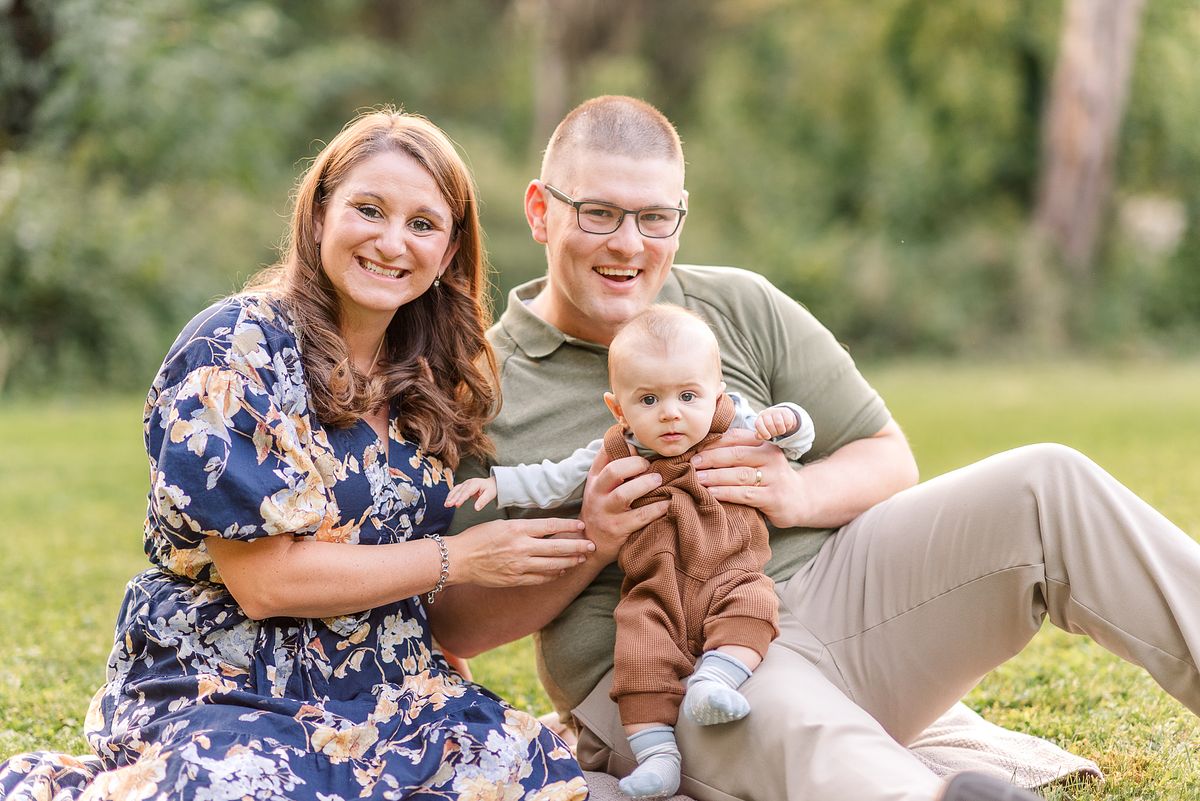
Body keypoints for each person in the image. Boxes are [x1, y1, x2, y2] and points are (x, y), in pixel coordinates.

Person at [446, 94, 1200, 801]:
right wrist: (592, 540)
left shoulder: (736, 304)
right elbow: (454, 624)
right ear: (542, 212)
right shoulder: (478, 385)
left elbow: (886, 453)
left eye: (654, 217)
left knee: (1048, 482)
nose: (628, 244)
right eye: (599, 213)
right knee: (801, 734)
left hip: (835, 598)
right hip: (669, 667)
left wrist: (796, 492)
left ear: (681, 218)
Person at [0, 108, 596, 801]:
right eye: (368, 210)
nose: (392, 241)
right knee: (245, 785)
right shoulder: (235, 349)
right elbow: (266, 583)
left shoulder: (430, 377)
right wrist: (460, 559)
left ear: (448, 251)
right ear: (318, 216)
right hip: (228, 680)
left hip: (386, 682)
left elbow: (394, 550)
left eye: (423, 224)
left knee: (526, 771)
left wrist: (455, 690)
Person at [447, 304, 814, 798]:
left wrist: (788, 421)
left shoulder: (736, 424)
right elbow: (552, 478)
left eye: (688, 395)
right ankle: (658, 757)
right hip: (653, 590)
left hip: (730, 572)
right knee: (639, 657)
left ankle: (714, 680)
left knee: (753, 608)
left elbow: (794, 442)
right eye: (648, 399)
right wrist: (497, 484)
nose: (670, 412)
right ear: (618, 409)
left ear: (717, 396)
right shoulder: (616, 450)